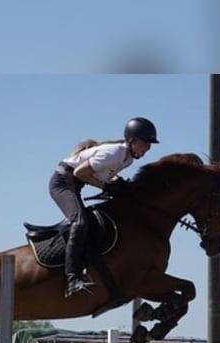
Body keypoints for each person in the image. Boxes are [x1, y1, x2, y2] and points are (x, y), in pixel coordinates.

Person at [50, 116, 159, 297]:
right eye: (146, 142)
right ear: (132, 140)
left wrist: (120, 184)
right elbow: (80, 172)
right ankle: (72, 279)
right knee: (80, 223)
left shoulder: (127, 159)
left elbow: (104, 175)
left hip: (75, 184)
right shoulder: (113, 153)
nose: (148, 147)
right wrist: (107, 187)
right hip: (62, 182)